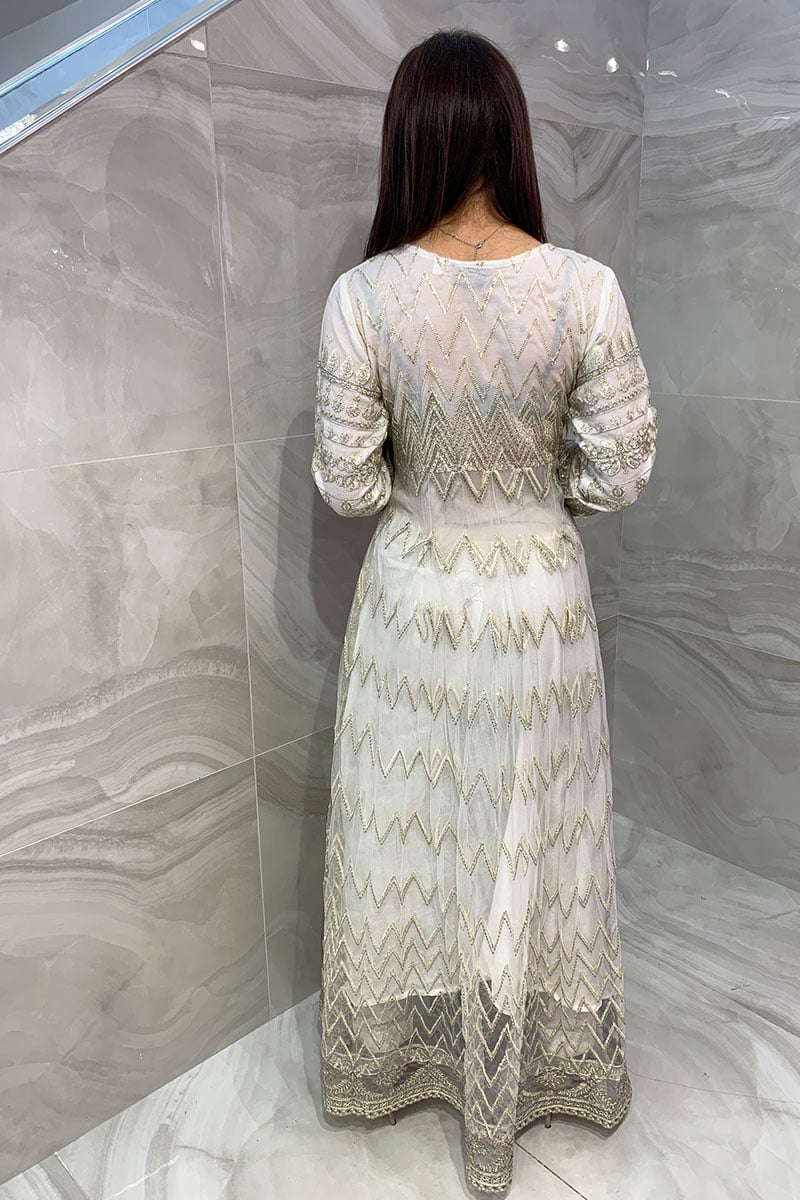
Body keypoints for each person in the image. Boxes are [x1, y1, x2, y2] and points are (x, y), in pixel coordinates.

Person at [310, 26, 657, 1195]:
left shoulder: (362, 298)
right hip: (536, 601)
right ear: (507, 134)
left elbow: (345, 485)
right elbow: (619, 472)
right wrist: (534, 504)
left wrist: (432, 491)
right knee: (527, 839)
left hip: (413, 605)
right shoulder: (585, 290)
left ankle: (411, 1059)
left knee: (415, 829)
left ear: (405, 139)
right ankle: (517, 1079)